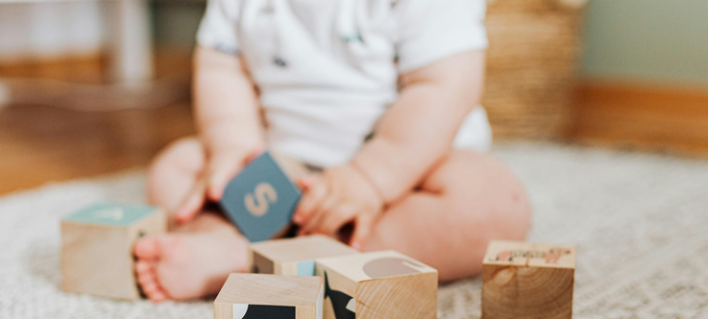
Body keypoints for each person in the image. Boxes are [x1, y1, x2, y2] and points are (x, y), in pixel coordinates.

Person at [134, 0, 532, 302]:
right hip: (283, 170)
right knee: (176, 169)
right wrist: (233, 144)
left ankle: (294, 258)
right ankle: (232, 246)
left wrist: (370, 178)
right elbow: (221, 66)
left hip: (407, 174)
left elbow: (444, 87)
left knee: (496, 204)